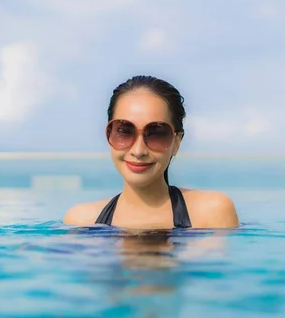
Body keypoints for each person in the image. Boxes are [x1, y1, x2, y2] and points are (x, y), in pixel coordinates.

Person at [63, 75, 239, 229]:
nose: (138, 151)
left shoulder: (211, 211)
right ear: (110, 135)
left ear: (176, 142)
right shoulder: (82, 220)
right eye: (124, 131)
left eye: (156, 133)